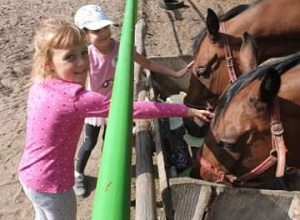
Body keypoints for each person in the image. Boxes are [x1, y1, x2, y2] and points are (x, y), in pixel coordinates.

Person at [18, 18, 213, 220]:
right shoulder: (74, 98)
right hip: (53, 184)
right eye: (70, 57)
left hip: (29, 175)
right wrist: (185, 110)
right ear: (48, 64)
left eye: (84, 53)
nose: (82, 62)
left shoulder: (41, 82)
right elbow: (132, 109)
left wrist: (50, 28)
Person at [73, 4, 194, 197]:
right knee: (89, 142)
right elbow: (74, 80)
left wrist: (176, 73)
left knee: (108, 139)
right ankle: (78, 173)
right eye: (97, 30)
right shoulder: (87, 55)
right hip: (96, 107)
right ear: (85, 34)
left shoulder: (120, 48)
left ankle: (108, 170)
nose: (104, 33)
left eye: (105, 27)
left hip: (116, 104)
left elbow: (147, 63)